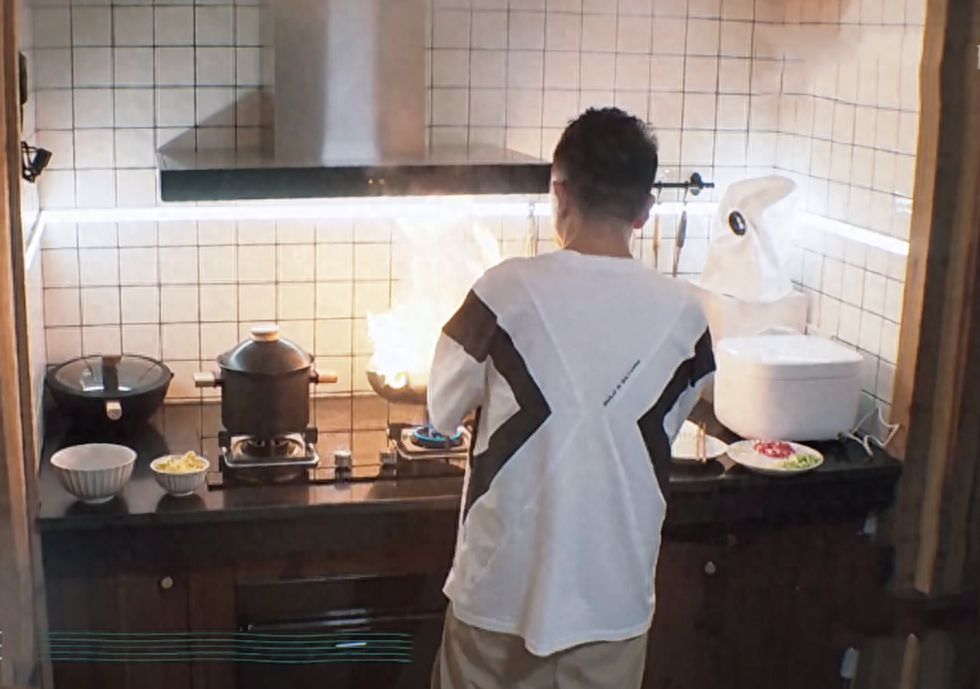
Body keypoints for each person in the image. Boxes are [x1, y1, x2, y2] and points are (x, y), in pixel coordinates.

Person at [426, 107, 715, 689]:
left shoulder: (500, 292)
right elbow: (675, 418)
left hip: (496, 599)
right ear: (645, 210)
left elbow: (442, 410)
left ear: (559, 193)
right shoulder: (687, 317)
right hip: (612, 610)